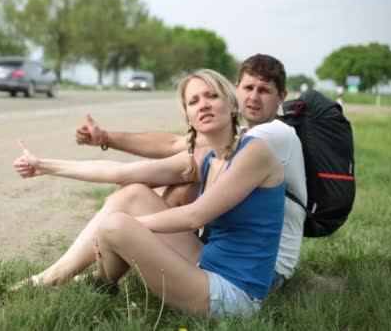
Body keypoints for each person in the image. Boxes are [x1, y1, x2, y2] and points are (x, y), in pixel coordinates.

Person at [13, 69, 285, 318]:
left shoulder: (255, 152)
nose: (203, 104)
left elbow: (194, 216)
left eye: (212, 96)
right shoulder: (206, 157)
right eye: (193, 101)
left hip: (232, 295)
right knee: (131, 194)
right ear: (188, 117)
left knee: (116, 225)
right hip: (208, 262)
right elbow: (120, 173)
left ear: (232, 103)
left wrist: (129, 228)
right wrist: (45, 166)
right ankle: (63, 278)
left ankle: (95, 280)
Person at [75, 54, 306, 289]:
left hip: (267, 269)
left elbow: (176, 147)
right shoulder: (236, 135)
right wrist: (103, 139)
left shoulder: (271, 137)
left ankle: (108, 254)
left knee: (161, 189)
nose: (254, 97)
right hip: (228, 256)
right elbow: (175, 149)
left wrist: (129, 225)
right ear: (237, 91)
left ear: (282, 97)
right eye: (248, 87)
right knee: (150, 188)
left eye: (264, 90)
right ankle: (104, 261)